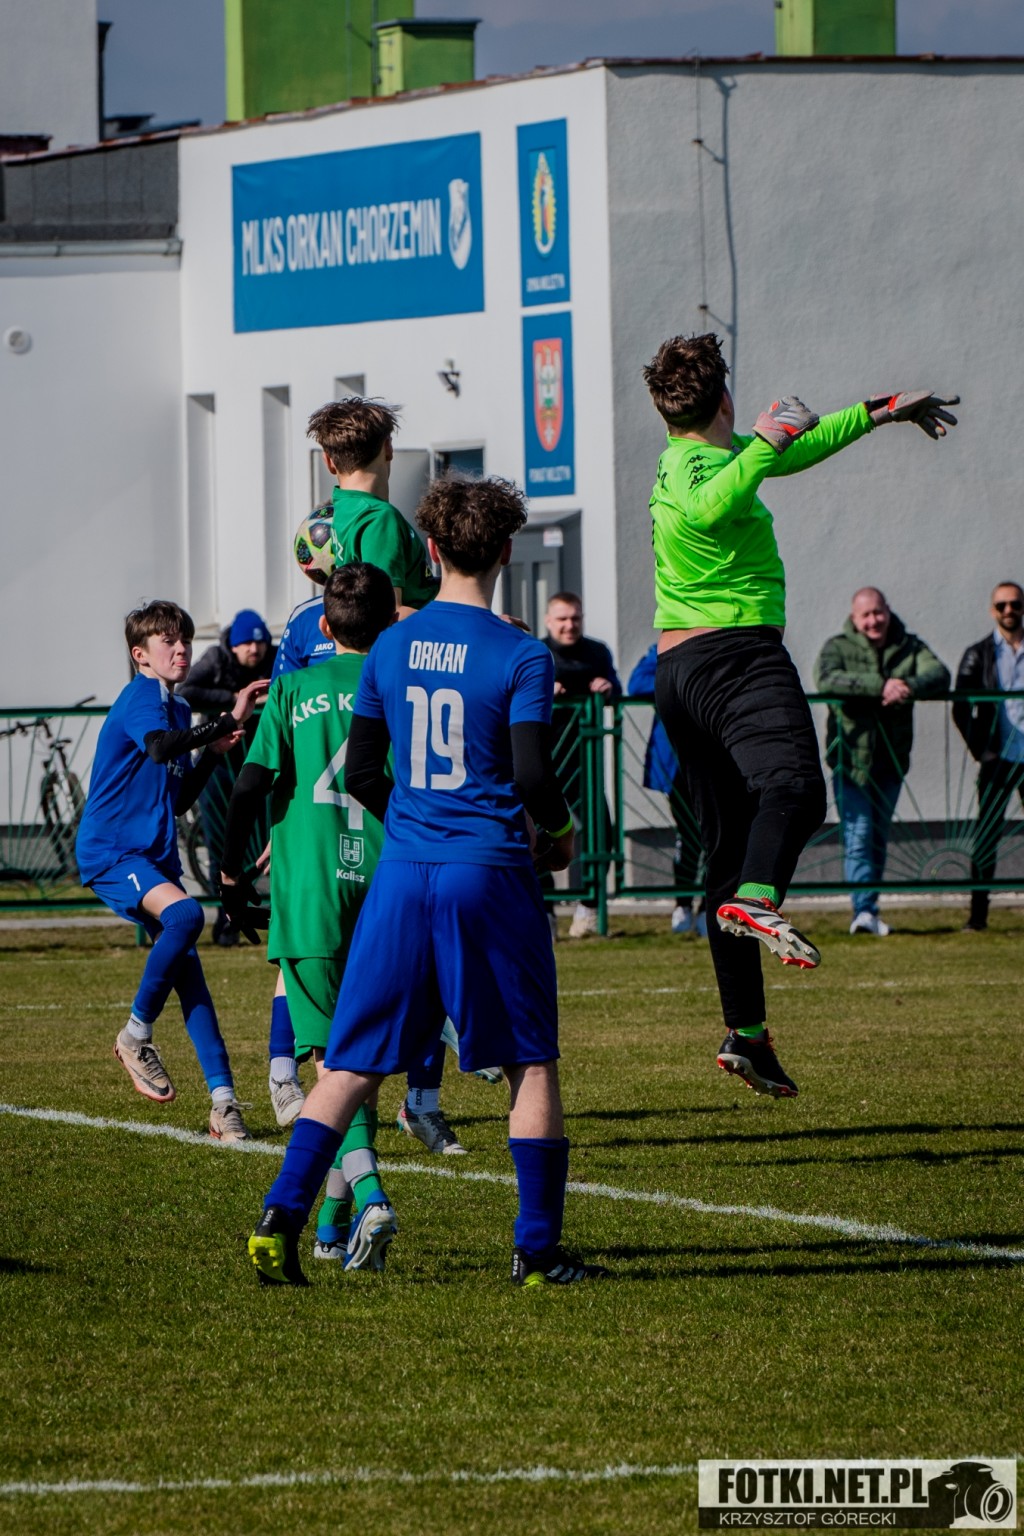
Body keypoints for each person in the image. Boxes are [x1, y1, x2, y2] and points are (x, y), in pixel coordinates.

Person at [247, 474, 607, 1288]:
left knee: (350, 1062)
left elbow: (363, 771)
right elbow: (531, 775)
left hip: (404, 872)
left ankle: (279, 1217)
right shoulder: (521, 652)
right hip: (488, 870)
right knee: (530, 1061)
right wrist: (558, 834)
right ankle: (537, 1251)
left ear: (433, 550)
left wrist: (411, 822)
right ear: (506, 551)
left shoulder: (390, 647)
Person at [643, 332, 958, 1098]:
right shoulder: (696, 467)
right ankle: (760, 901)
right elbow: (711, 505)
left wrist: (882, 410)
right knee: (795, 791)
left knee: (728, 859)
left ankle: (747, 1034)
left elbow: (791, 452)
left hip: (686, 673)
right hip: (733, 658)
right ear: (724, 400)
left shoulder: (714, 456)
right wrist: (764, 443)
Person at [221, 564, 400, 1269]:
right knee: (360, 1064)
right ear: (391, 624)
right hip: (385, 886)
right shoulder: (397, 687)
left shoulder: (294, 688)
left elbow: (248, 788)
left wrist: (230, 875)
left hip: (311, 893)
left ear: (323, 626)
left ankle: (372, 1196)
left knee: (332, 1066)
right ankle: (331, 1227)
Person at [74, 600, 268, 1140]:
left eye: (184, 638)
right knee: (186, 918)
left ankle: (224, 1104)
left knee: (192, 978)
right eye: (168, 641)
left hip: (153, 855)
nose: (181, 648)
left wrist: (214, 750)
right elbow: (159, 750)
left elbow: (178, 799)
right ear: (140, 655)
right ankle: (135, 1035)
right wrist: (226, 721)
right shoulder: (142, 697)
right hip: (114, 851)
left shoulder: (178, 709)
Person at [814, 589, 949, 936]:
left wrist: (906, 686)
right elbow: (826, 679)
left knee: (877, 836)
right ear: (854, 618)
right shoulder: (837, 647)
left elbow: (939, 675)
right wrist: (879, 686)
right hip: (850, 762)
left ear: (887, 611)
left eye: (878, 612)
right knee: (859, 833)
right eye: (866, 615)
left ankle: (869, 911)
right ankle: (863, 912)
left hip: (891, 762)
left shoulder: (909, 646)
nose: (873, 620)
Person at [178, 608, 277, 947]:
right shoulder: (216, 659)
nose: (255, 649)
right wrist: (234, 700)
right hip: (219, 767)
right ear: (234, 644)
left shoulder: (276, 659)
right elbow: (187, 690)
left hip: (260, 766)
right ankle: (226, 922)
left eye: (260, 642)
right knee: (221, 847)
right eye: (247, 642)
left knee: (265, 844)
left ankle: (270, 915)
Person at [542, 592, 622, 938]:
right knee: (534, 835)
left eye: (575, 618)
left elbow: (618, 688)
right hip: (541, 761)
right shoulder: (537, 652)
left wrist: (608, 688)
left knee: (602, 832)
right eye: (562, 619)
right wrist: (543, 691)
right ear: (548, 621)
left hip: (583, 762)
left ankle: (588, 910)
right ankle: (545, 911)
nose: (569, 625)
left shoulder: (596, 652)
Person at [953, 581, 1024, 933]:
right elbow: (959, 706)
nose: (1009, 610)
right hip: (999, 758)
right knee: (986, 838)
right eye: (1001, 605)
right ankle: (977, 917)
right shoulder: (979, 653)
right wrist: (982, 751)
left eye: (1015, 604)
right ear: (992, 610)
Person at [627, 642, 706, 936]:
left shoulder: (723, 641)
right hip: (677, 761)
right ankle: (683, 903)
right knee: (689, 834)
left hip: (718, 756)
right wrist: (686, 680)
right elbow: (637, 684)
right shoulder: (663, 647)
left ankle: (710, 907)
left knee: (718, 836)